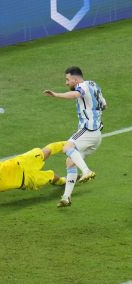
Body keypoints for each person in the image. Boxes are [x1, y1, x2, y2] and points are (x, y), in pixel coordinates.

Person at [44, 67, 107, 207]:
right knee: (70, 162)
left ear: (75, 79)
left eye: (67, 79)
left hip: (88, 130)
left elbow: (75, 95)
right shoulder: (94, 85)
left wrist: (56, 95)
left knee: (67, 147)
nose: (66, 83)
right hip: (97, 135)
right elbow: (104, 105)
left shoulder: (82, 86)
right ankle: (66, 197)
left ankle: (86, 171)